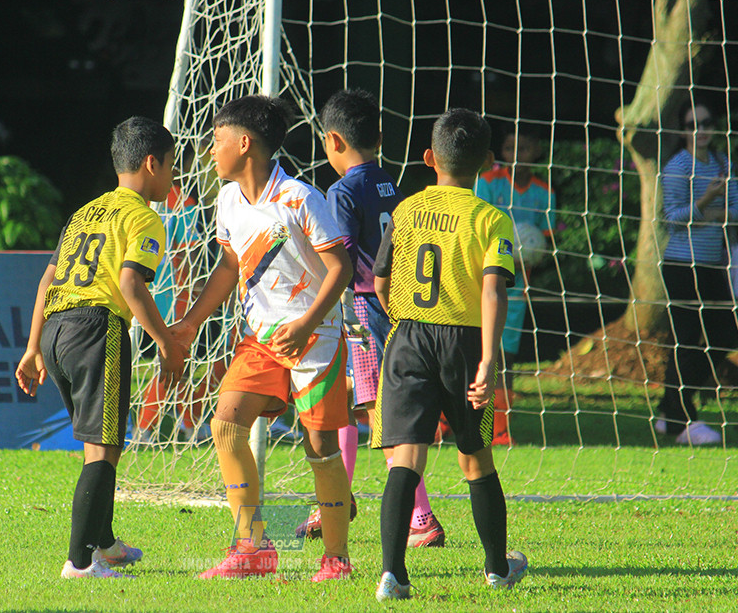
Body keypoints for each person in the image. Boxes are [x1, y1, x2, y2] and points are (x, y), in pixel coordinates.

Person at [171, 95, 355, 582]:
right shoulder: (227, 199)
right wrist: (191, 322)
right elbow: (229, 267)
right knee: (226, 424)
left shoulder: (301, 198)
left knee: (320, 447)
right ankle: (253, 546)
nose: (210, 151)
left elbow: (342, 268)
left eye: (216, 140)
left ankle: (336, 558)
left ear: (244, 143)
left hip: (314, 339)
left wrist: (308, 323)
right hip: (260, 337)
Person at [14, 116, 188, 579]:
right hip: (97, 329)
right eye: (172, 167)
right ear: (152, 163)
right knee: (103, 448)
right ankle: (79, 563)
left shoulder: (85, 212)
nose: (173, 178)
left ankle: (105, 543)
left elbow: (47, 279)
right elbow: (131, 284)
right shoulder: (145, 217)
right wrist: (167, 344)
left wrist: (32, 348)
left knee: (101, 445)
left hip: (54, 330)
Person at [372, 108, 528, 601]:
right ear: (485, 161)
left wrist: (405, 320)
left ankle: (393, 575)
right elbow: (493, 292)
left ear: (428, 158)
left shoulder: (406, 210)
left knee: (406, 460)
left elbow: (379, 280)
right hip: (462, 344)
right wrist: (487, 359)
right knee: (475, 459)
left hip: (408, 337)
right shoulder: (489, 217)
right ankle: (498, 569)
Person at [305, 88, 444, 549]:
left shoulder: (342, 191)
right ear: (379, 138)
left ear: (333, 141)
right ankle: (338, 498)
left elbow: (341, 260)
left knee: (377, 411)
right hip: (395, 303)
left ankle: (420, 518)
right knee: (341, 396)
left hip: (363, 306)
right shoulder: (389, 183)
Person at [656, 99, 738, 446]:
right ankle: (679, 422)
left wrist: (711, 213)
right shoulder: (677, 166)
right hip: (681, 266)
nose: (701, 130)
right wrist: (706, 202)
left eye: (706, 123)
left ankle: (669, 407)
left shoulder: (723, 163)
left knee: (723, 336)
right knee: (687, 340)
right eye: (693, 125)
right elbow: (673, 218)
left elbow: (737, 209)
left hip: (711, 264)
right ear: (683, 131)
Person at [475, 125, 555, 445]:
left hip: (517, 288)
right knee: (471, 351)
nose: (516, 155)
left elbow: (546, 245)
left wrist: (528, 257)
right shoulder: (488, 183)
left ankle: (499, 428)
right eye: (510, 148)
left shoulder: (544, 192)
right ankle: (448, 420)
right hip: (481, 281)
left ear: (537, 150)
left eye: (524, 148)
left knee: (505, 357)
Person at [133, 184, 212, 444]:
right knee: (174, 357)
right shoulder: (181, 200)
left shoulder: (133, 199)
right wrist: (195, 289)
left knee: (175, 361)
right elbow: (187, 251)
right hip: (172, 290)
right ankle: (145, 427)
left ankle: (189, 423)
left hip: (138, 290)